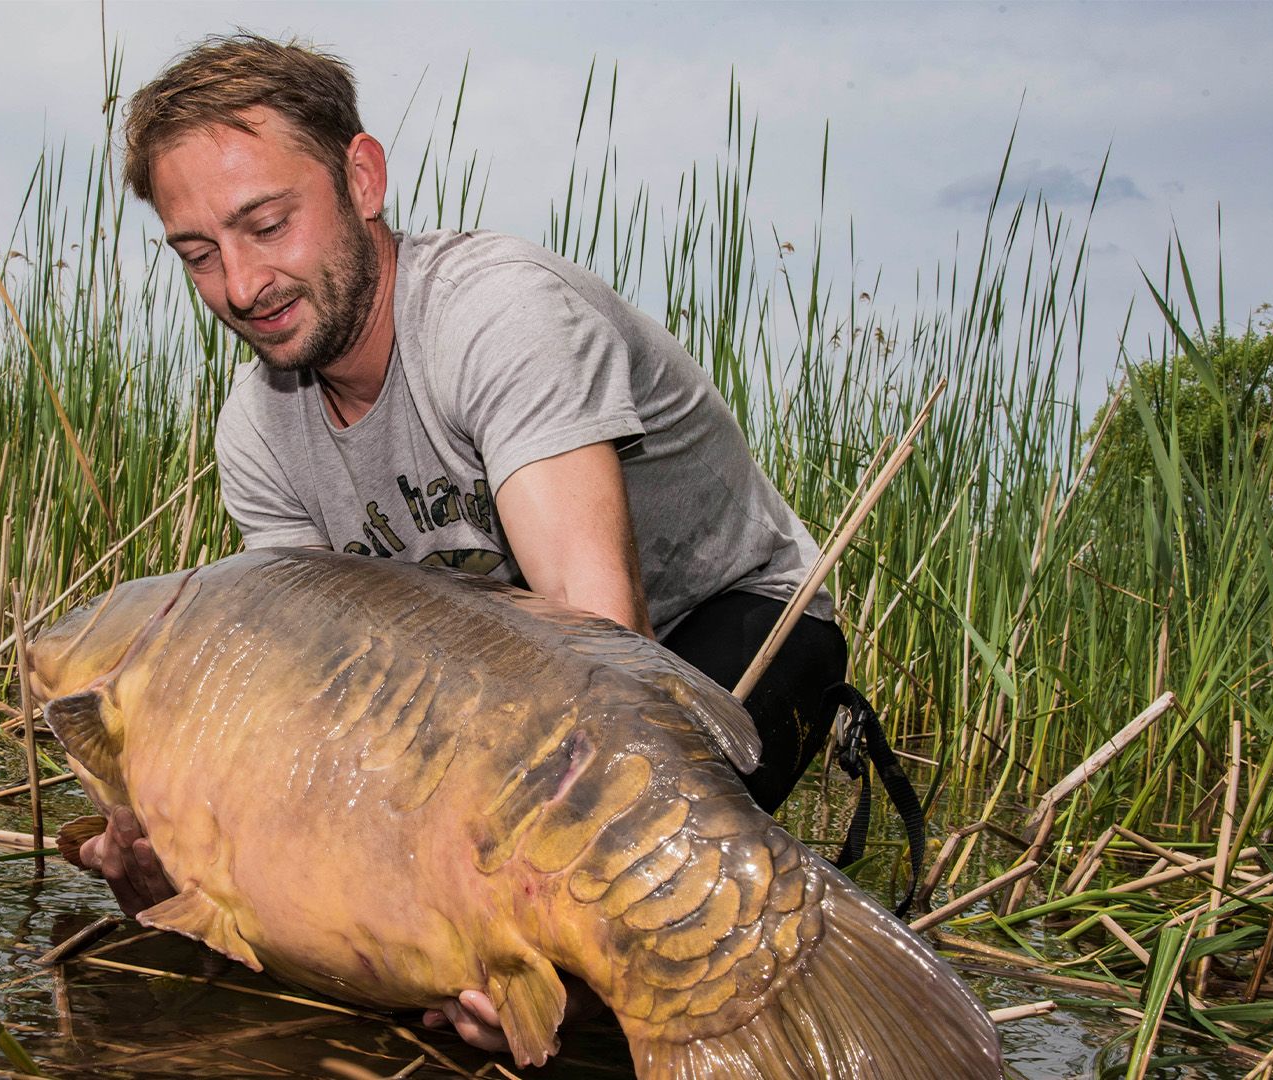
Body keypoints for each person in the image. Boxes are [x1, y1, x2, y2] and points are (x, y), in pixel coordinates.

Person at [71, 33, 851, 1052]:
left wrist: (527, 936)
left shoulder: (497, 317)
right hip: (487, 716)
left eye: (267, 223)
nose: (242, 283)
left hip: (729, 629)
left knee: (613, 969)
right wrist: (208, 867)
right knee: (414, 991)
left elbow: (595, 628)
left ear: (363, 177)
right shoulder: (257, 433)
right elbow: (324, 716)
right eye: (198, 252)